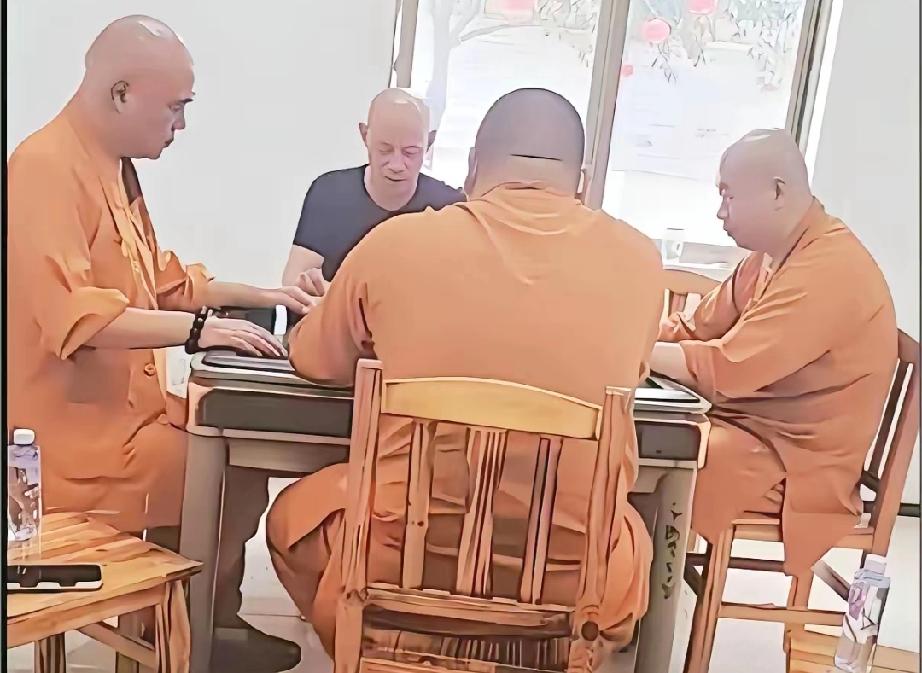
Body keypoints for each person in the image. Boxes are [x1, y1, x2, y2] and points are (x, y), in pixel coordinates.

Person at [267, 88, 664, 658]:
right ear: (581, 178)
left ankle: (383, 653)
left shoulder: (396, 244)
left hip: (398, 564)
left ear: (473, 166)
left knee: (292, 520)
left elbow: (313, 359)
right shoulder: (640, 263)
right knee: (633, 538)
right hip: (571, 582)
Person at [6, 16, 305, 670]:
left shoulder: (113, 168)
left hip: (129, 422)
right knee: (225, 470)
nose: (181, 124)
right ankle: (178, 635)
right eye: (175, 107)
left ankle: (189, 625)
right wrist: (200, 331)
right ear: (120, 93)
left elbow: (160, 281)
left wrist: (265, 293)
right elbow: (77, 320)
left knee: (232, 457)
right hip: (72, 449)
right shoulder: (44, 168)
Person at [651, 129, 897, 575]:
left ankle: (642, 588)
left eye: (729, 196)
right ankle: (629, 578)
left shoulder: (830, 268)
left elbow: (726, 369)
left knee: (660, 451)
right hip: (750, 428)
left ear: (778, 192)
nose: (720, 212)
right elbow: (695, 327)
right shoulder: (770, 257)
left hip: (795, 460)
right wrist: (630, 330)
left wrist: (634, 351)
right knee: (649, 434)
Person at [281, 88, 463, 294]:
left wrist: (343, 296)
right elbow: (294, 279)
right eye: (384, 149)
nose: (396, 165)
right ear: (365, 136)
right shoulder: (330, 193)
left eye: (410, 152)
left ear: (429, 143)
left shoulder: (448, 208)